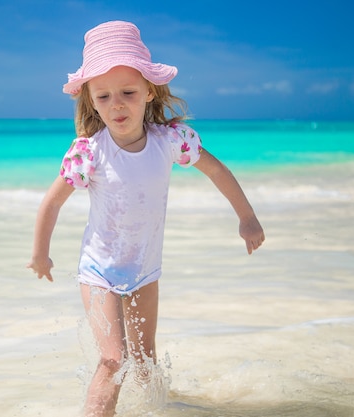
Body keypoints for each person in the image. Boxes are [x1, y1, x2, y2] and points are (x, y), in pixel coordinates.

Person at [27, 20, 265, 417]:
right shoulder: (90, 152)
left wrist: (247, 218)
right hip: (99, 272)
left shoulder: (171, 141)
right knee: (112, 359)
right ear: (90, 99)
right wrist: (41, 254)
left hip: (145, 271)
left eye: (128, 93)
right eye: (103, 97)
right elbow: (51, 203)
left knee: (144, 362)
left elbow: (217, 171)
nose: (116, 104)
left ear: (148, 92)